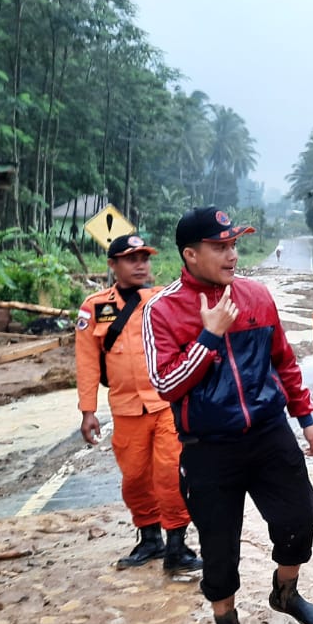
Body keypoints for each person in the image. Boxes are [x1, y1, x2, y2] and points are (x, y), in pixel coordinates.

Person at [142, 206, 313, 624]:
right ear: (190, 254)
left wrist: (305, 417)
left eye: (234, 245)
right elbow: (166, 385)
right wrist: (208, 336)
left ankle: (286, 591)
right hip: (208, 447)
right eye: (219, 247)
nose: (232, 255)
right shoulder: (162, 309)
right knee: (218, 543)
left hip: (268, 434)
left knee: (299, 515)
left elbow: (284, 362)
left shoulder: (257, 296)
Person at [75, 234, 202, 575]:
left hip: (166, 405)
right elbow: (87, 361)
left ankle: (177, 544)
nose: (140, 264)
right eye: (131, 259)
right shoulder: (95, 308)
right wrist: (88, 411)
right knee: (134, 478)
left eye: (144, 258)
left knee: (170, 474)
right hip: (125, 408)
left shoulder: (164, 300)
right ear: (113, 265)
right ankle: (149, 539)